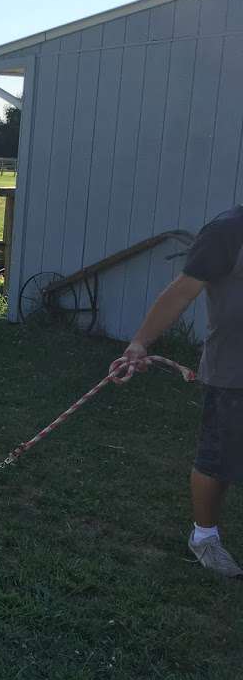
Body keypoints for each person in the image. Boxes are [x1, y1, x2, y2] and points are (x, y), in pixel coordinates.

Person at [116, 206, 243, 579]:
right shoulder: (228, 230)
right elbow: (182, 292)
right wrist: (140, 343)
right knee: (218, 457)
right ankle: (204, 537)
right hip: (234, 371)